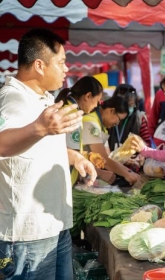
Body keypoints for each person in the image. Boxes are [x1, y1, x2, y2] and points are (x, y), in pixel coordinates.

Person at [0, 28, 96, 279]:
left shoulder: (43, 98)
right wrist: (38, 128)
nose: (66, 69)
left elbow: (37, 144)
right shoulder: (12, 99)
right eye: (62, 62)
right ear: (40, 65)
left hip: (55, 227)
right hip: (28, 236)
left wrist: (75, 157)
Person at [82, 95, 142, 186]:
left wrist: (129, 172)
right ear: (111, 111)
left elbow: (107, 158)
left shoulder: (101, 126)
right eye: (119, 119)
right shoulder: (92, 124)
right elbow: (104, 159)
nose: (117, 124)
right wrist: (127, 175)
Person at [55, 76, 104, 185]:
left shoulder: (70, 109)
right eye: (96, 101)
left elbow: (66, 148)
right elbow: (67, 153)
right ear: (88, 96)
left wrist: (88, 156)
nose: (96, 106)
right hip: (63, 178)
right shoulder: (72, 114)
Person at [108, 83, 151, 150]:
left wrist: (141, 155)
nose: (127, 109)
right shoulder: (108, 117)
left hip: (133, 159)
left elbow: (147, 143)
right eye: (124, 105)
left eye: (131, 105)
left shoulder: (139, 119)